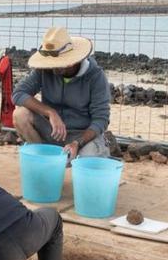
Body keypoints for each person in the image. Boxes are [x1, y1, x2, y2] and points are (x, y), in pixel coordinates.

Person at [12, 27, 112, 161]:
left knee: (90, 157)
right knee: (20, 114)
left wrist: (77, 143)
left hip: (82, 136)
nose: (54, 67)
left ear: (74, 60)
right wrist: (50, 112)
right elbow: (18, 94)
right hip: (53, 132)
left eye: (59, 63)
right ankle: (44, 160)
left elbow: (101, 120)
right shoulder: (45, 70)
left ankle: (74, 156)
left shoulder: (95, 77)